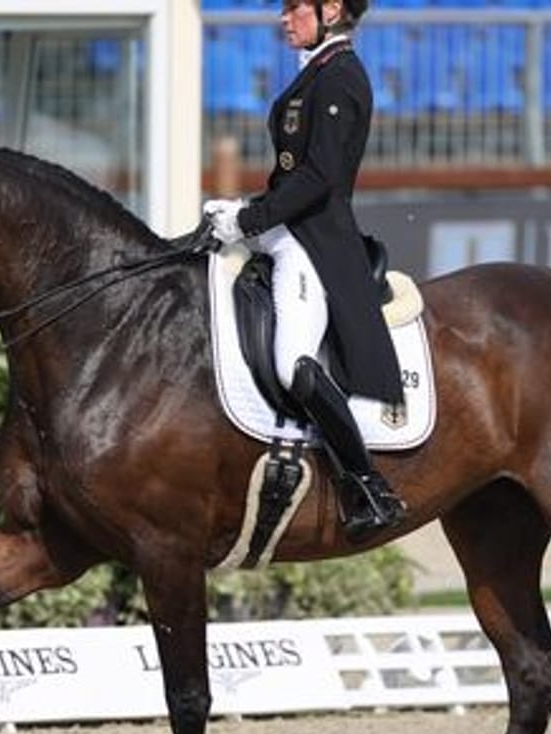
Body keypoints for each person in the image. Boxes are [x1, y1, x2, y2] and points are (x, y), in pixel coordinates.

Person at [204, 0, 406, 542]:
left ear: (332, 8)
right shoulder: (316, 70)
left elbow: (318, 178)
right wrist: (238, 214)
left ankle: (367, 485)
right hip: (286, 226)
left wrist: (250, 217)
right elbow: (289, 177)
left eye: (294, 7)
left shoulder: (340, 77)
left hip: (313, 242)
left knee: (294, 364)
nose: (283, 17)